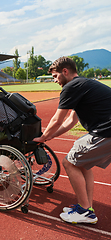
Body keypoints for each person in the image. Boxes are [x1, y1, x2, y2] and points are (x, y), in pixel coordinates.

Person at [33, 56, 111, 224]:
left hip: (106, 131)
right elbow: (71, 121)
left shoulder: (71, 87)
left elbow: (57, 120)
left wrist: (43, 137)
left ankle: (84, 212)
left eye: (55, 76)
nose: (55, 80)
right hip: (106, 131)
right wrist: (51, 136)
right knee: (83, 164)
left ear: (65, 71)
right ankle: (87, 207)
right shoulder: (83, 84)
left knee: (69, 163)